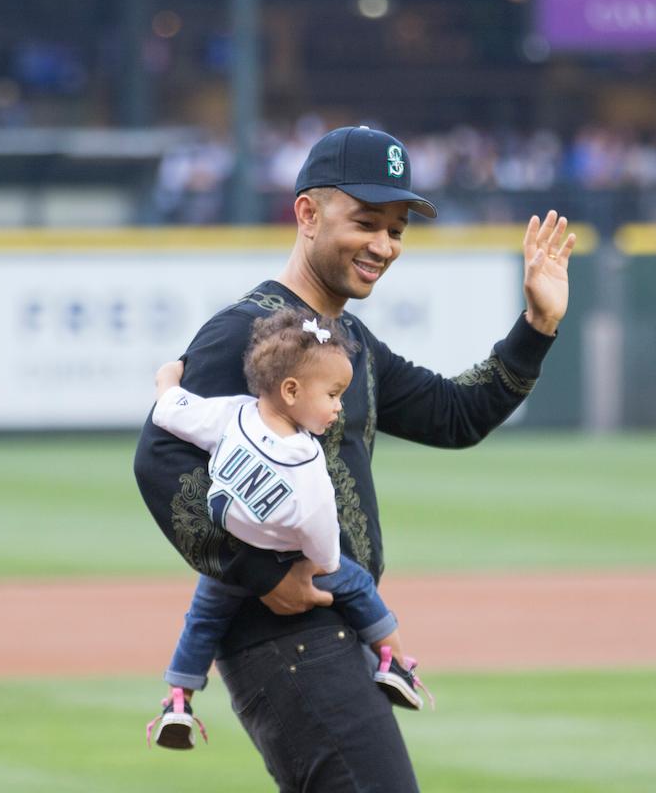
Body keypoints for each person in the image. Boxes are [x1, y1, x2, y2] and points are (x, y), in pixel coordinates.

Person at [133, 125, 575, 791]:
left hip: (327, 638)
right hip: (285, 642)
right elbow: (158, 459)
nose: (384, 245)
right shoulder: (250, 330)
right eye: (366, 222)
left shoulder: (345, 342)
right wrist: (259, 573)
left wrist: (536, 328)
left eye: (397, 229)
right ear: (307, 214)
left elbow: (455, 416)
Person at [146, 309, 430, 751]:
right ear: (292, 390)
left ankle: (178, 701)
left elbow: (171, 413)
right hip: (284, 561)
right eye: (333, 394)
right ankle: (393, 660)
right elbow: (324, 538)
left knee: (201, 622)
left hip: (230, 561)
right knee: (354, 581)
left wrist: (168, 379)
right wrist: (325, 566)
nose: (339, 405)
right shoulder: (305, 458)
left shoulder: (232, 415)